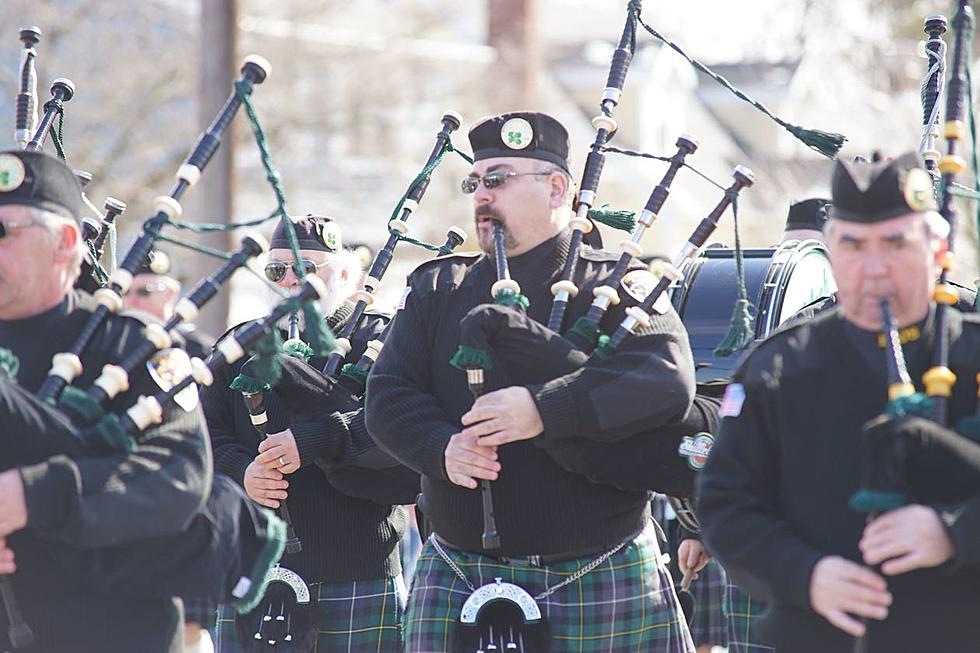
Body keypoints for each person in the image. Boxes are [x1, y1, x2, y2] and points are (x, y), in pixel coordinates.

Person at [365, 111, 698, 652]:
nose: (480, 195)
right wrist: (440, 447)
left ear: (557, 188)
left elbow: (664, 376)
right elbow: (388, 395)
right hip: (459, 567)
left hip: (598, 564)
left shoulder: (611, 283)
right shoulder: (439, 291)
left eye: (498, 179)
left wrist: (545, 409)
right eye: (474, 181)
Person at [698, 151, 980, 652]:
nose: (873, 268)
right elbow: (726, 506)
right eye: (853, 245)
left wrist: (955, 532)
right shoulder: (780, 367)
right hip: (818, 636)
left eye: (895, 242)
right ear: (829, 252)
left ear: (938, 250)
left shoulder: (972, 354)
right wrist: (805, 574)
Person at [0, 150, 212, 652]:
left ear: (64, 242)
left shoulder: (132, 349)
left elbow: (177, 476)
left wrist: (33, 495)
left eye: (4, 231)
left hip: (109, 631)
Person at [205, 214, 415, 653]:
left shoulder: (381, 340)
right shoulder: (238, 344)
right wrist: (242, 472)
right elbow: (203, 434)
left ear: (343, 275)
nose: (289, 281)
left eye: (305, 269)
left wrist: (317, 436)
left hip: (359, 569)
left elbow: (396, 436)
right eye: (276, 270)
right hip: (257, 569)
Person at [122, 248, 216, 359]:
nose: (132, 300)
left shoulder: (198, 350)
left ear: (170, 294)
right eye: (126, 291)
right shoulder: (112, 340)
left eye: (144, 292)